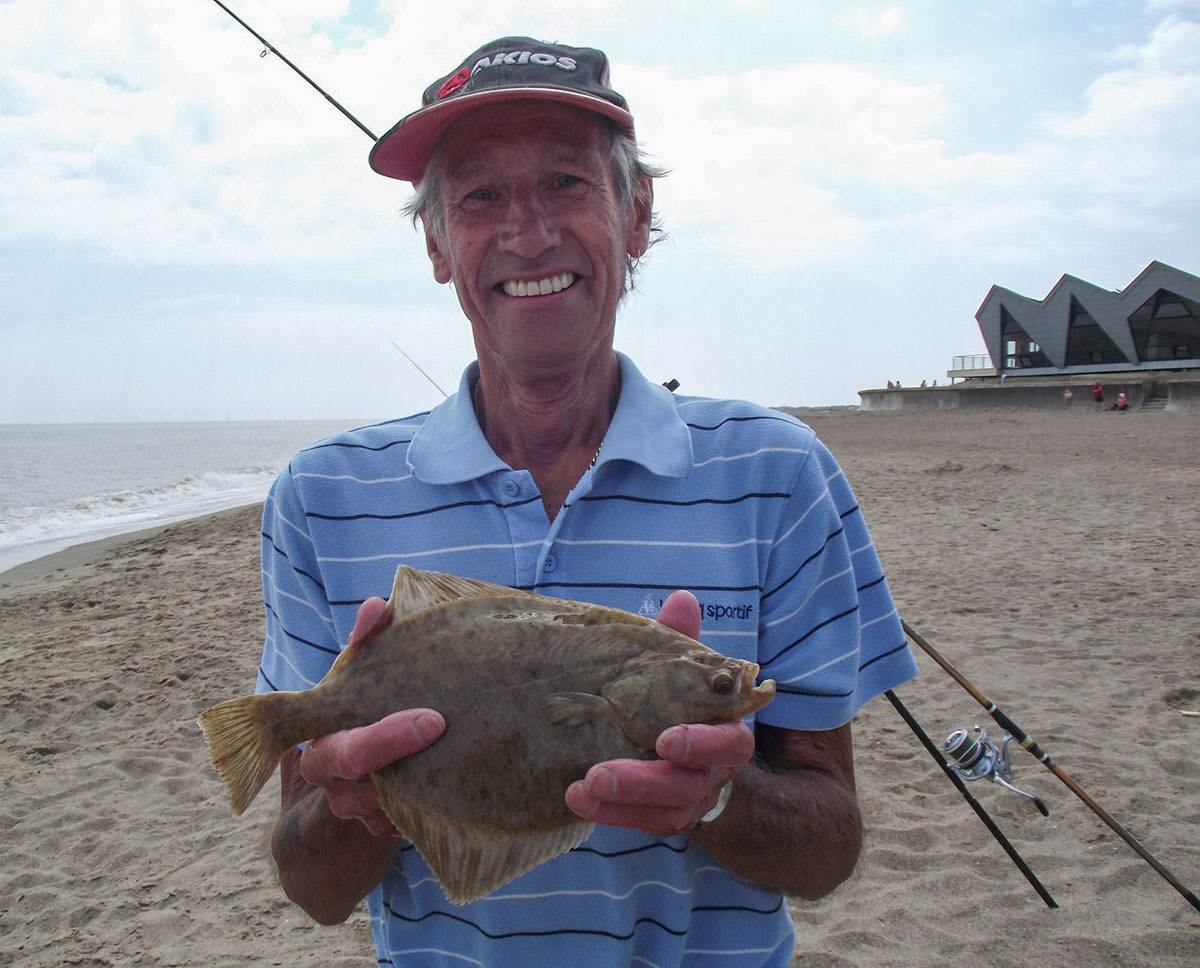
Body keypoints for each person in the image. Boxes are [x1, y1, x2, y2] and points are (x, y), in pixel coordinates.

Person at [256, 36, 918, 967]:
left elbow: (828, 849)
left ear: (636, 214)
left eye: (566, 182)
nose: (527, 234)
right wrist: (357, 802)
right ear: (438, 246)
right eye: (479, 196)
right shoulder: (321, 497)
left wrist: (715, 798)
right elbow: (310, 887)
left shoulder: (779, 473)